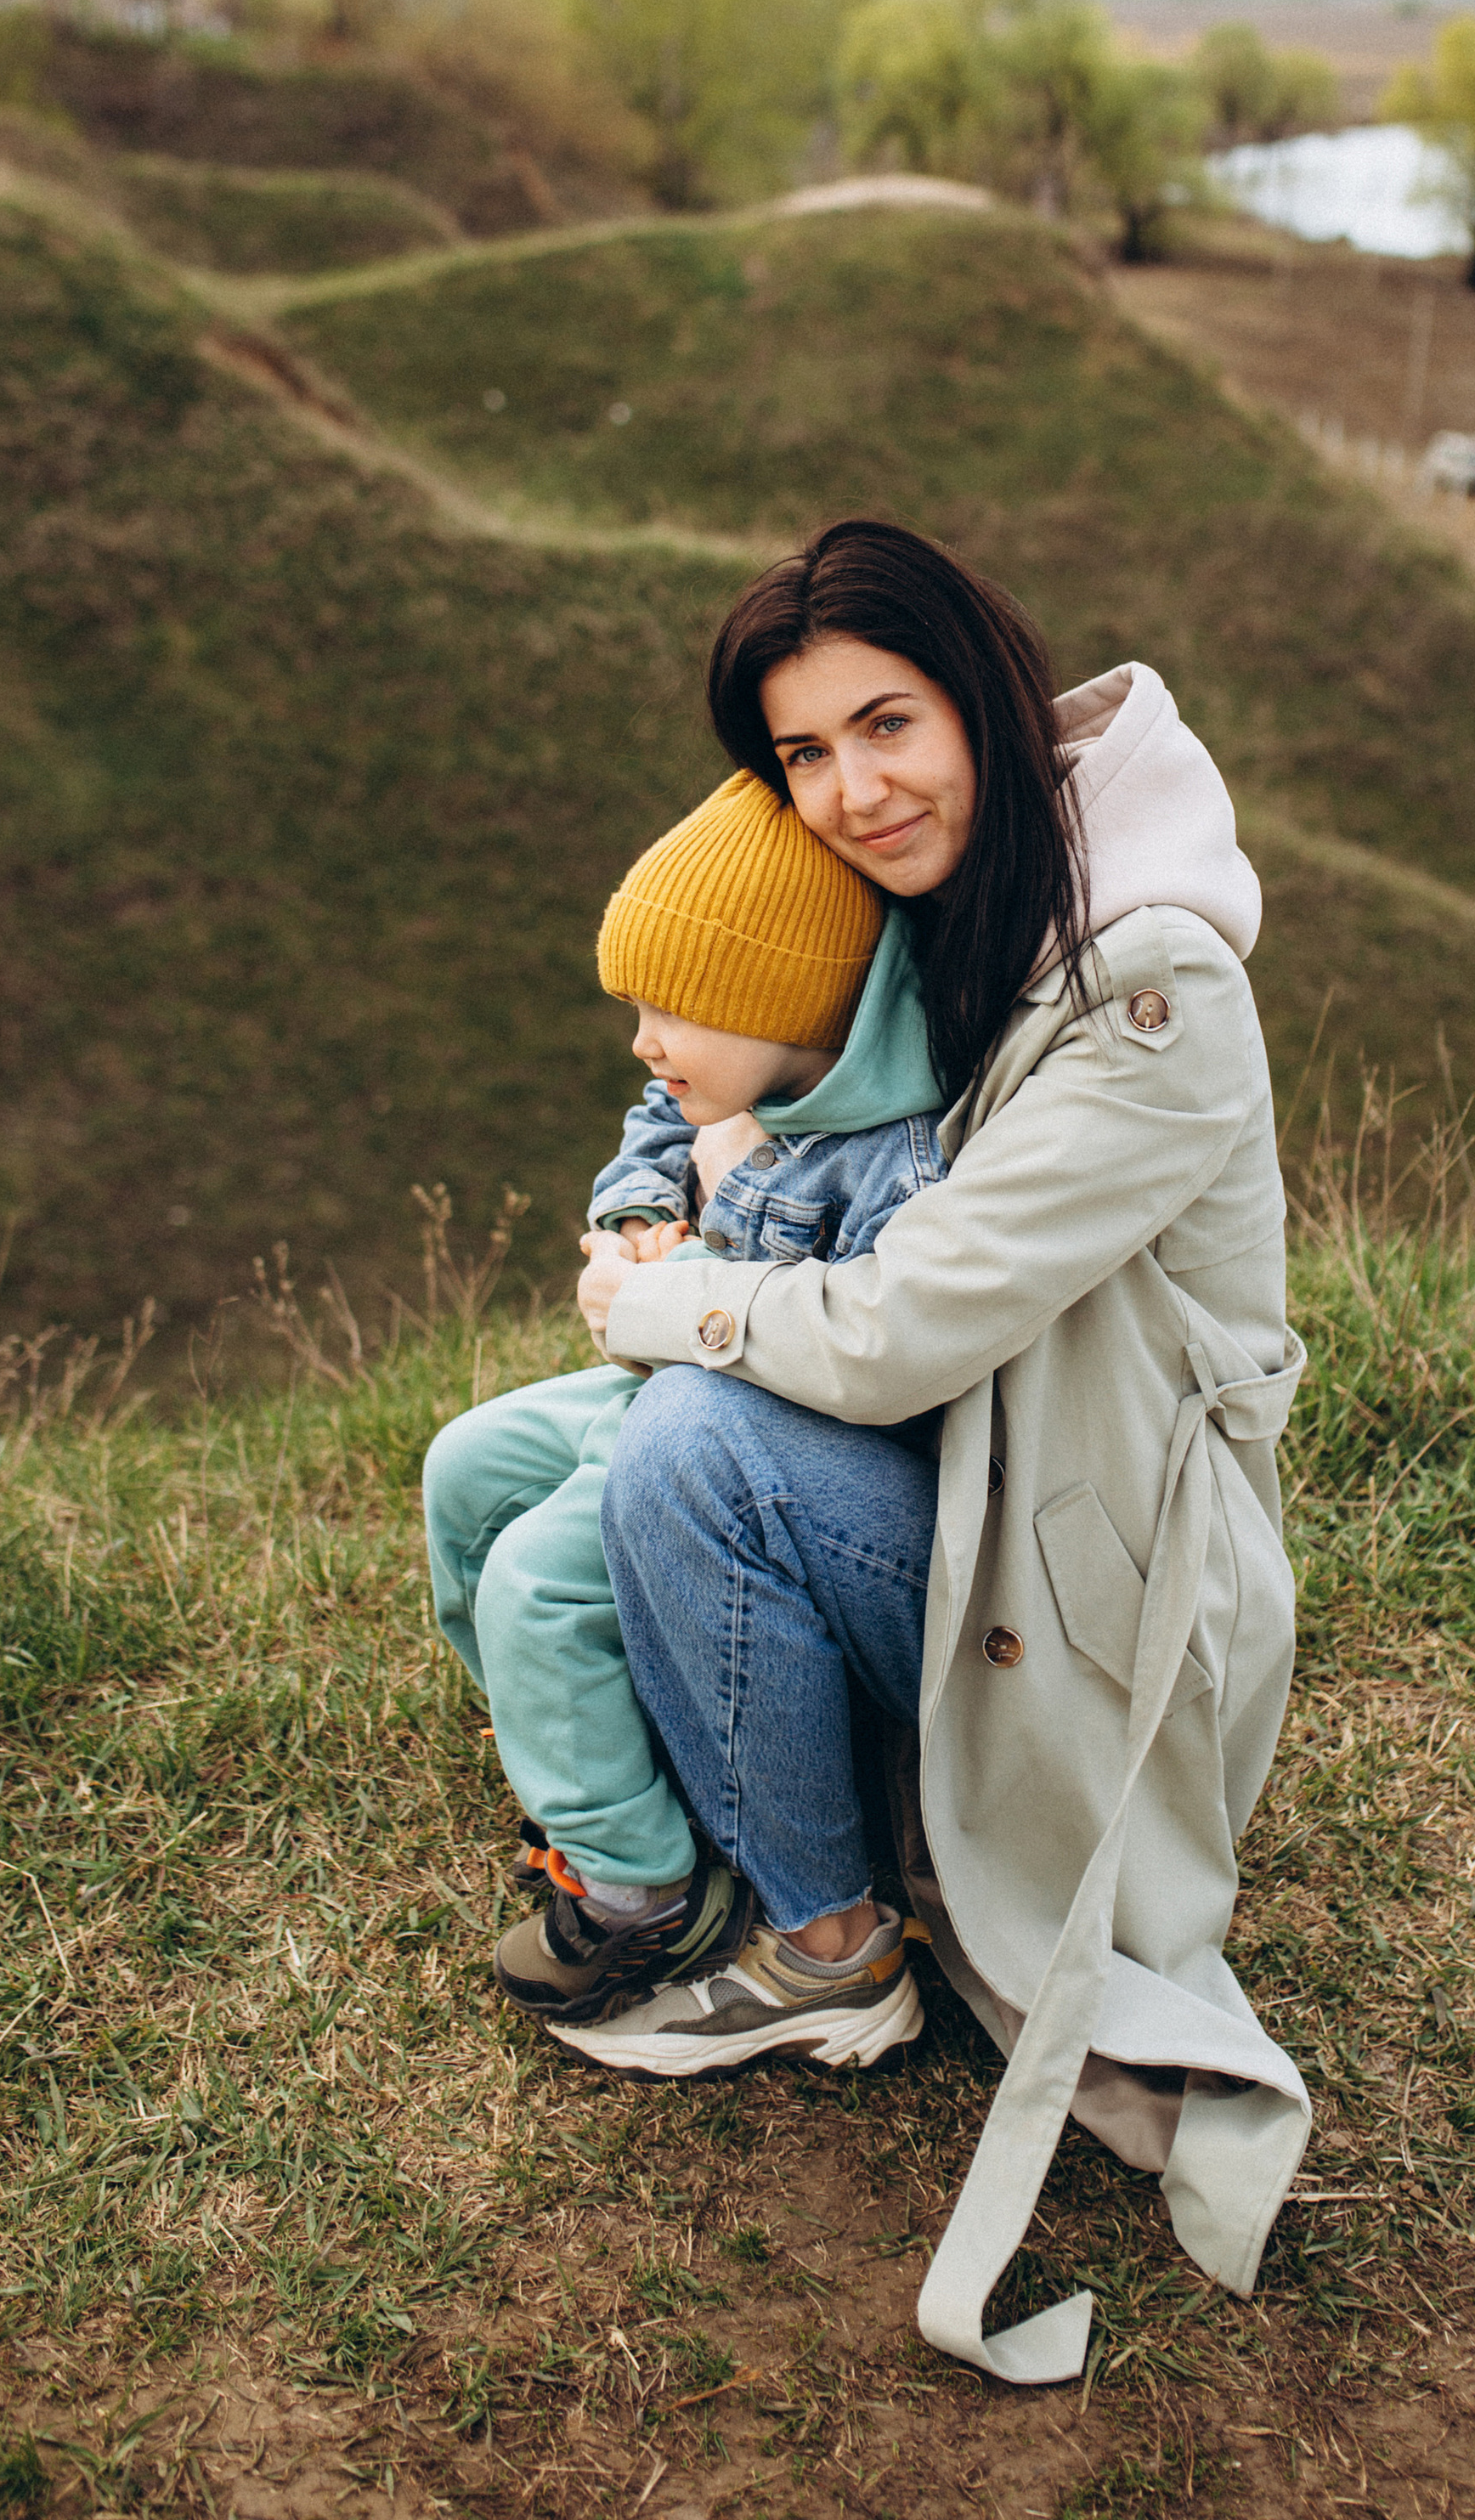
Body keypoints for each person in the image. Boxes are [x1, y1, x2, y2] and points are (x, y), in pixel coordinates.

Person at [559, 518, 1312, 2386]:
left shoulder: (1144, 986)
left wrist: (659, 1302)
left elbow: (904, 1331)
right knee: (518, 1467)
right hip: (972, 1481)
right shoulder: (968, 906)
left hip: (1096, 1571)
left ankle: (827, 1960)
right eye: (803, 754)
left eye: (884, 725)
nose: (848, 792)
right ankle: (664, 1829)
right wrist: (693, 1176)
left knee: (685, 1452)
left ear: (979, 694)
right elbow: (742, 1045)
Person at [421, 764, 948, 2044]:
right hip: (666, 1383)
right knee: (468, 1469)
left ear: (789, 998)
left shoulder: (899, 1155)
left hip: (766, 1446)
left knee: (539, 1581)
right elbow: (656, 1126)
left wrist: (712, 1238)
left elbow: (860, 1354)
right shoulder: (730, 1079)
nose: (647, 1038)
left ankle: (646, 1891)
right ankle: (612, 1777)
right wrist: (640, 1217)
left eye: (677, 1007)